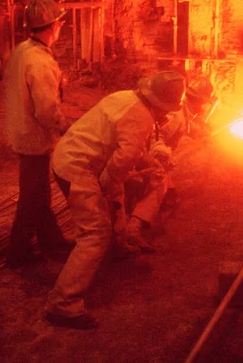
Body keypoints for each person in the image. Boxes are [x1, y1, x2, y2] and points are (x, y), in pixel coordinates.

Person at [46, 70, 186, 329]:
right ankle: (63, 302)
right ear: (160, 105)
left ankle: (119, 245)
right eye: (166, 110)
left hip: (75, 156)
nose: (166, 115)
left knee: (114, 190)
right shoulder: (142, 118)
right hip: (78, 167)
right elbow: (123, 160)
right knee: (95, 232)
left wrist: (152, 162)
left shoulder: (125, 98)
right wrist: (106, 185)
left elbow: (130, 147)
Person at [4, 0, 71, 268]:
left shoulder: (23, 50)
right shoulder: (40, 62)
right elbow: (46, 111)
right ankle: (17, 253)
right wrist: (66, 127)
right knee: (32, 197)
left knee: (40, 193)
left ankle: (51, 240)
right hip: (33, 137)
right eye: (60, 24)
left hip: (20, 130)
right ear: (54, 26)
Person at [124, 77, 216, 245]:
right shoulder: (176, 115)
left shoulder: (183, 112)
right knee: (159, 182)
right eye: (203, 103)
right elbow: (152, 139)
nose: (203, 108)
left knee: (171, 197)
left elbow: (185, 126)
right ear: (196, 100)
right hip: (141, 153)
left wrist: (199, 132)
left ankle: (141, 215)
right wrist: (163, 155)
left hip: (145, 152)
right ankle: (133, 226)